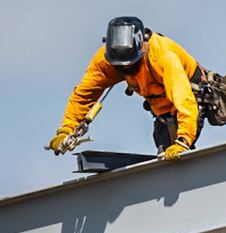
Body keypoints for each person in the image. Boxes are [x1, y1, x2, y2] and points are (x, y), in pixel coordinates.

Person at [48, 16, 205, 160]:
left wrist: (183, 140)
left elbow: (184, 100)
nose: (126, 68)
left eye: (131, 64)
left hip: (190, 96)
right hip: (161, 107)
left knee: (177, 154)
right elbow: (84, 96)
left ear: (142, 48)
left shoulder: (163, 57)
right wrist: (66, 130)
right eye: (121, 66)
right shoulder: (107, 61)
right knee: (164, 150)